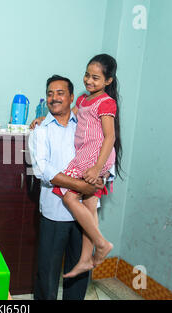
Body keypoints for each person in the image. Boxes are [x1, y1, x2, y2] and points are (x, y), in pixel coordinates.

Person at [28, 75, 110, 300]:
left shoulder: (86, 125)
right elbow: (42, 169)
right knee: (48, 271)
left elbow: (103, 150)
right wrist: (81, 185)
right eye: (50, 93)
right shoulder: (40, 130)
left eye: (60, 93)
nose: (54, 98)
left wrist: (102, 177)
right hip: (55, 211)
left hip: (84, 213)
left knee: (79, 272)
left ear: (72, 98)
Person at [52, 54, 122, 279]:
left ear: (108, 81)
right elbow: (66, 117)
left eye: (96, 78)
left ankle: (101, 244)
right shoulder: (82, 100)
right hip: (84, 154)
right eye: (87, 75)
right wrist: (42, 120)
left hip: (94, 156)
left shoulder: (106, 102)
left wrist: (96, 168)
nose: (89, 81)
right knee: (89, 206)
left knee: (70, 198)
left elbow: (109, 137)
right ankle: (85, 259)